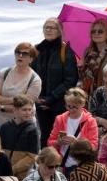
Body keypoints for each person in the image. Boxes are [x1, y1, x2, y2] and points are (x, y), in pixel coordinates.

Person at [31, 17, 78, 149]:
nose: (49, 30)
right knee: (45, 136)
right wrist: (39, 99)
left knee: (59, 137)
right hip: (41, 103)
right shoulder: (37, 50)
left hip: (58, 104)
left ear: (60, 31)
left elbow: (70, 79)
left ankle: (58, 167)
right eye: (46, 27)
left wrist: (51, 98)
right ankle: (45, 166)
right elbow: (31, 75)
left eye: (53, 27)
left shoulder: (66, 50)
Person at [47, 87, 99, 177]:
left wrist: (76, 142)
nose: (71, 109)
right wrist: (58, 142)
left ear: (82, 104)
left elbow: (94, 146)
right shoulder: (60, 119)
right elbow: (50, 142)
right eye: (68, 106)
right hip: (63, 164)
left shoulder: (90, 121)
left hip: (82, 165)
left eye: (74, 107)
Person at [0, 42, 41, 128]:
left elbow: (26, 107)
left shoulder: (35, 80)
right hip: (2, 122)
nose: (20, 56)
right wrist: (16, 100)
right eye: (18, 52)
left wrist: (2, 107)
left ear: (31, 59)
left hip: (24, 125)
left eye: (25, 54)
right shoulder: (3, 73)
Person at [0, 94, 40, 181]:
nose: (28, 112)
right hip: (2, 173)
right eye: (24, 110)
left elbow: (32, 156)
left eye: (30, 110)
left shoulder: (32, 130)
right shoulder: (5, 127)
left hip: (23, 176)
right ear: (15, 110)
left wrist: (12, 169)